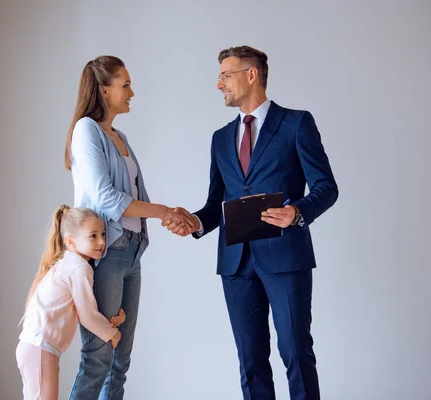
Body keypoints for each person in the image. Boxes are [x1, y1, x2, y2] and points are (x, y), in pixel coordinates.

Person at [165, 46, 338, 400]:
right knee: (250, 361)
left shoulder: (296, 123)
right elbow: (217, 204)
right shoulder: (220, 139)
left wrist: (298, 212)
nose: (219, 84)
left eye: (225, 75)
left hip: (285, 258)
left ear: (251, 74)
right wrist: (195, 222)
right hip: (236, 264)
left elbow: (326, 187)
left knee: (296, 354)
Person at [65, 56, 195, 399]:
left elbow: (135, 194)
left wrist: (167, 215)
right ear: (103, 90)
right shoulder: (86, 130)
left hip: (133, 250)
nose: (131, 92)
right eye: (125, 85)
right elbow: (107, 198)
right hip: (108, 252)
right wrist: (163, 210)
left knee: (120, 359)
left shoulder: (118, 135)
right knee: (99, 357)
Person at [17, 205, 125, 400]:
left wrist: (112, 319)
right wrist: (113, 334)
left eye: (102, 234)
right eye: (93, 236)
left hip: (34, 347)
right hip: (40, 348)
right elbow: (87, 315)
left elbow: (81, 308)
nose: (101, 241)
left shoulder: (67, 263)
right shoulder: (79, 268)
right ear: (70, 241)